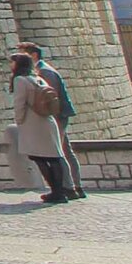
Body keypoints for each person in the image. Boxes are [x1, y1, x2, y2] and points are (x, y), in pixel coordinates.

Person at [19, 41, 88, 199]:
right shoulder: (42, 70)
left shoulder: (44, 72)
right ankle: (75, 186)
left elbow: (51, 98)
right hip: (57, 116)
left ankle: (69, 187)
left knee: (58, 152)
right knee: (65, 151)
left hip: (56, 116)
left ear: (33, 55)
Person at [12, 52, 73, 203]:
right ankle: (59, 192)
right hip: (48, 121)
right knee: (53, 157)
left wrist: (19, 121)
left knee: (39, 157)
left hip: (33, 123)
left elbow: (19, 103)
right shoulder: (38, 78)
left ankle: (55, 191)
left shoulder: (20, 80)